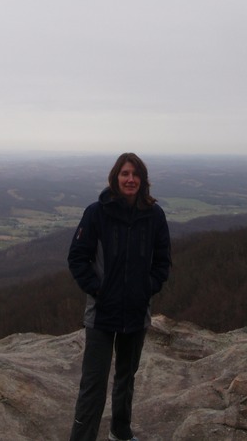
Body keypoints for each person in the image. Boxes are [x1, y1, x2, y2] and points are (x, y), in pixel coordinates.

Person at [68, 152, 172, 441]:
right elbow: (77, 257)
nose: (130, 179)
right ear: (115, 178)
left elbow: (162, 261)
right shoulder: (96, 213)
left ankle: (120, 433)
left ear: (143, 180)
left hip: (137, 310)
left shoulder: (154, 216)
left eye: (135, 174)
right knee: (93, 383)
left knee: (126, 379)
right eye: (125, 174)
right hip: (102, 311)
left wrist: (146, 287)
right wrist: (98, 289)